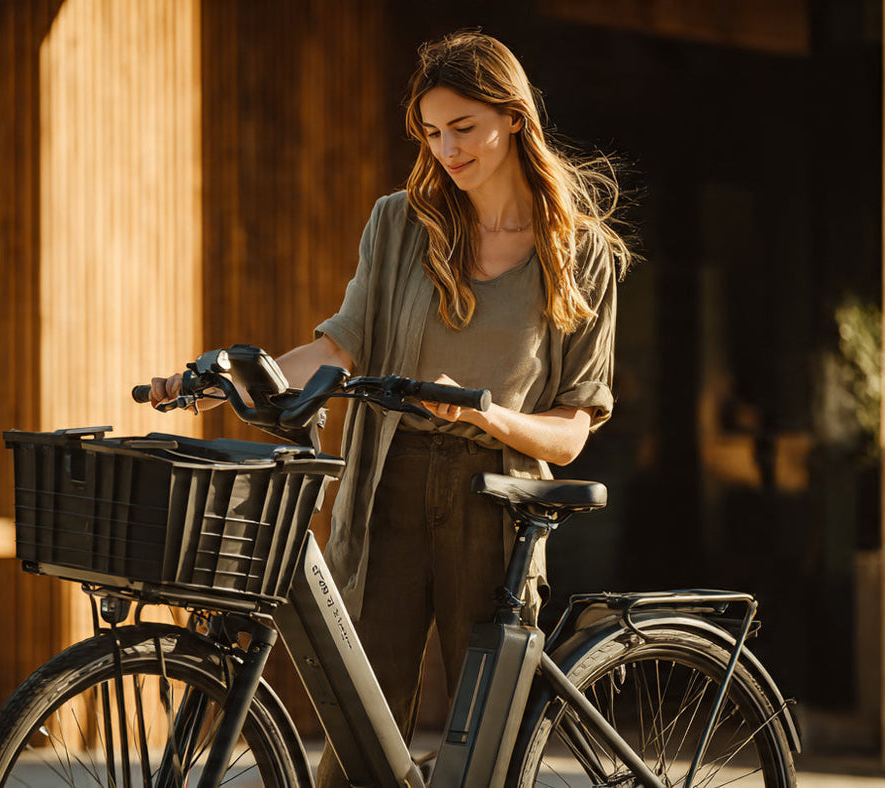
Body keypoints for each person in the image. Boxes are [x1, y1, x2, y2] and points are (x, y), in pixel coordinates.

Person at [150, 29, 631, 786]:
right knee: (359, 736)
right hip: (387, 491)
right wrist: (229, 375)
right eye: (433, 133)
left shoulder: (580, 254)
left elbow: (571, 431)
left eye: (464, 129)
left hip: (496, 501)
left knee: (486, 756)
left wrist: (484, 416)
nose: (448, 150)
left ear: (512, 117)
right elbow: (341, 348)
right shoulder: (401, 223)